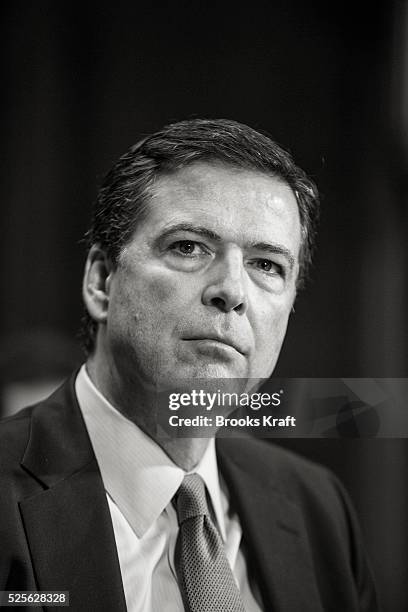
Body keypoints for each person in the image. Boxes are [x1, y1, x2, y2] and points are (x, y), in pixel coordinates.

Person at [0, 119, 379, 611]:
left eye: (267, 265)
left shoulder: (318, 507)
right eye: (188, 247)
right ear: (101, 282)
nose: (232, 291)